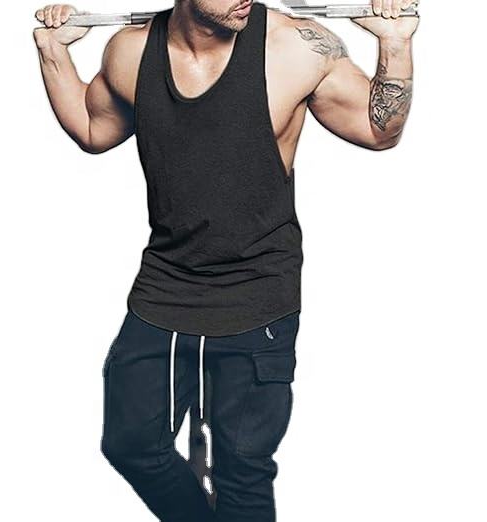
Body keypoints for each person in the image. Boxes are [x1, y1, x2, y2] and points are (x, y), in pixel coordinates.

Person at [33, 1, 419, 520]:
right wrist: (52, 52)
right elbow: (92, 128)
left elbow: (378, 132)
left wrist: (395, 44)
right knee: (131, 444)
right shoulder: (130, 51)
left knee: (242, 471)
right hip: (165, 290)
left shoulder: (295, 47)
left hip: (258, 296)